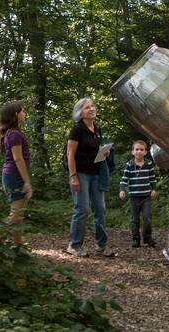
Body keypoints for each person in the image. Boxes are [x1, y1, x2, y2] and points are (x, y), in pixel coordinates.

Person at [66, 97, 115, 257]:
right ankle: (74, 245)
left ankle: (101, 245)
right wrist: (73, 176)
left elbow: (95, 153)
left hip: (96, 174)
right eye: (87, 107)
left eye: (92, 106)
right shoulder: (77, 129)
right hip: (80, 174)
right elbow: (70, 154)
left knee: (100, 210)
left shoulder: (97, 129)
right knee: (82, 209)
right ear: (80, 113)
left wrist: (104, 152)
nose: (92, 109)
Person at [0, 102, 32, 246]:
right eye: (22, 111)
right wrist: (27, 182)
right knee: (15, 215)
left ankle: (18, 247)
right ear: (15, 115)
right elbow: (18, 159)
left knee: (18, 215)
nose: (24, 114)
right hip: (14, 176)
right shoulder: (14, 134)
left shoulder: (11, 133)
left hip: (12, 175)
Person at [119, 140, 158, 248]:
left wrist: (154, 189)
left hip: (146, 196)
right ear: (132, 152)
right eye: (137, 149)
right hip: (134, 197)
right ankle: (136, 239)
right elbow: (123, 179)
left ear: (145, 152)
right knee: (135, 219)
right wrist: (122, 190)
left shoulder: (148, 164)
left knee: (147, 218)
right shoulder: (129, 165)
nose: (139, 152)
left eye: (141, 150)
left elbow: (152, 179)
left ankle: (147, 238)